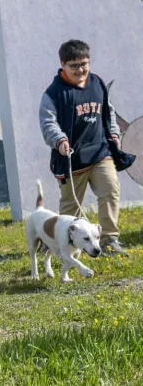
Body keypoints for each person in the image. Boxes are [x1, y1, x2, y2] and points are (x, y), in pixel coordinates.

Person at [39, 39, 126, 254]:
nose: (81, 69)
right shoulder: (54, 92)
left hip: (99, 152)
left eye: (84, 63)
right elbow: (47, 122)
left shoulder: (97, 83)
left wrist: (113, 134)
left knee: (110, 190)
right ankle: (57, 243)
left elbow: (108, 112)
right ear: (63, 64)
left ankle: (109, 239)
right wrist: (59, 140)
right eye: (74, 66)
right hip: (71, 159)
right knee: (70, 208)